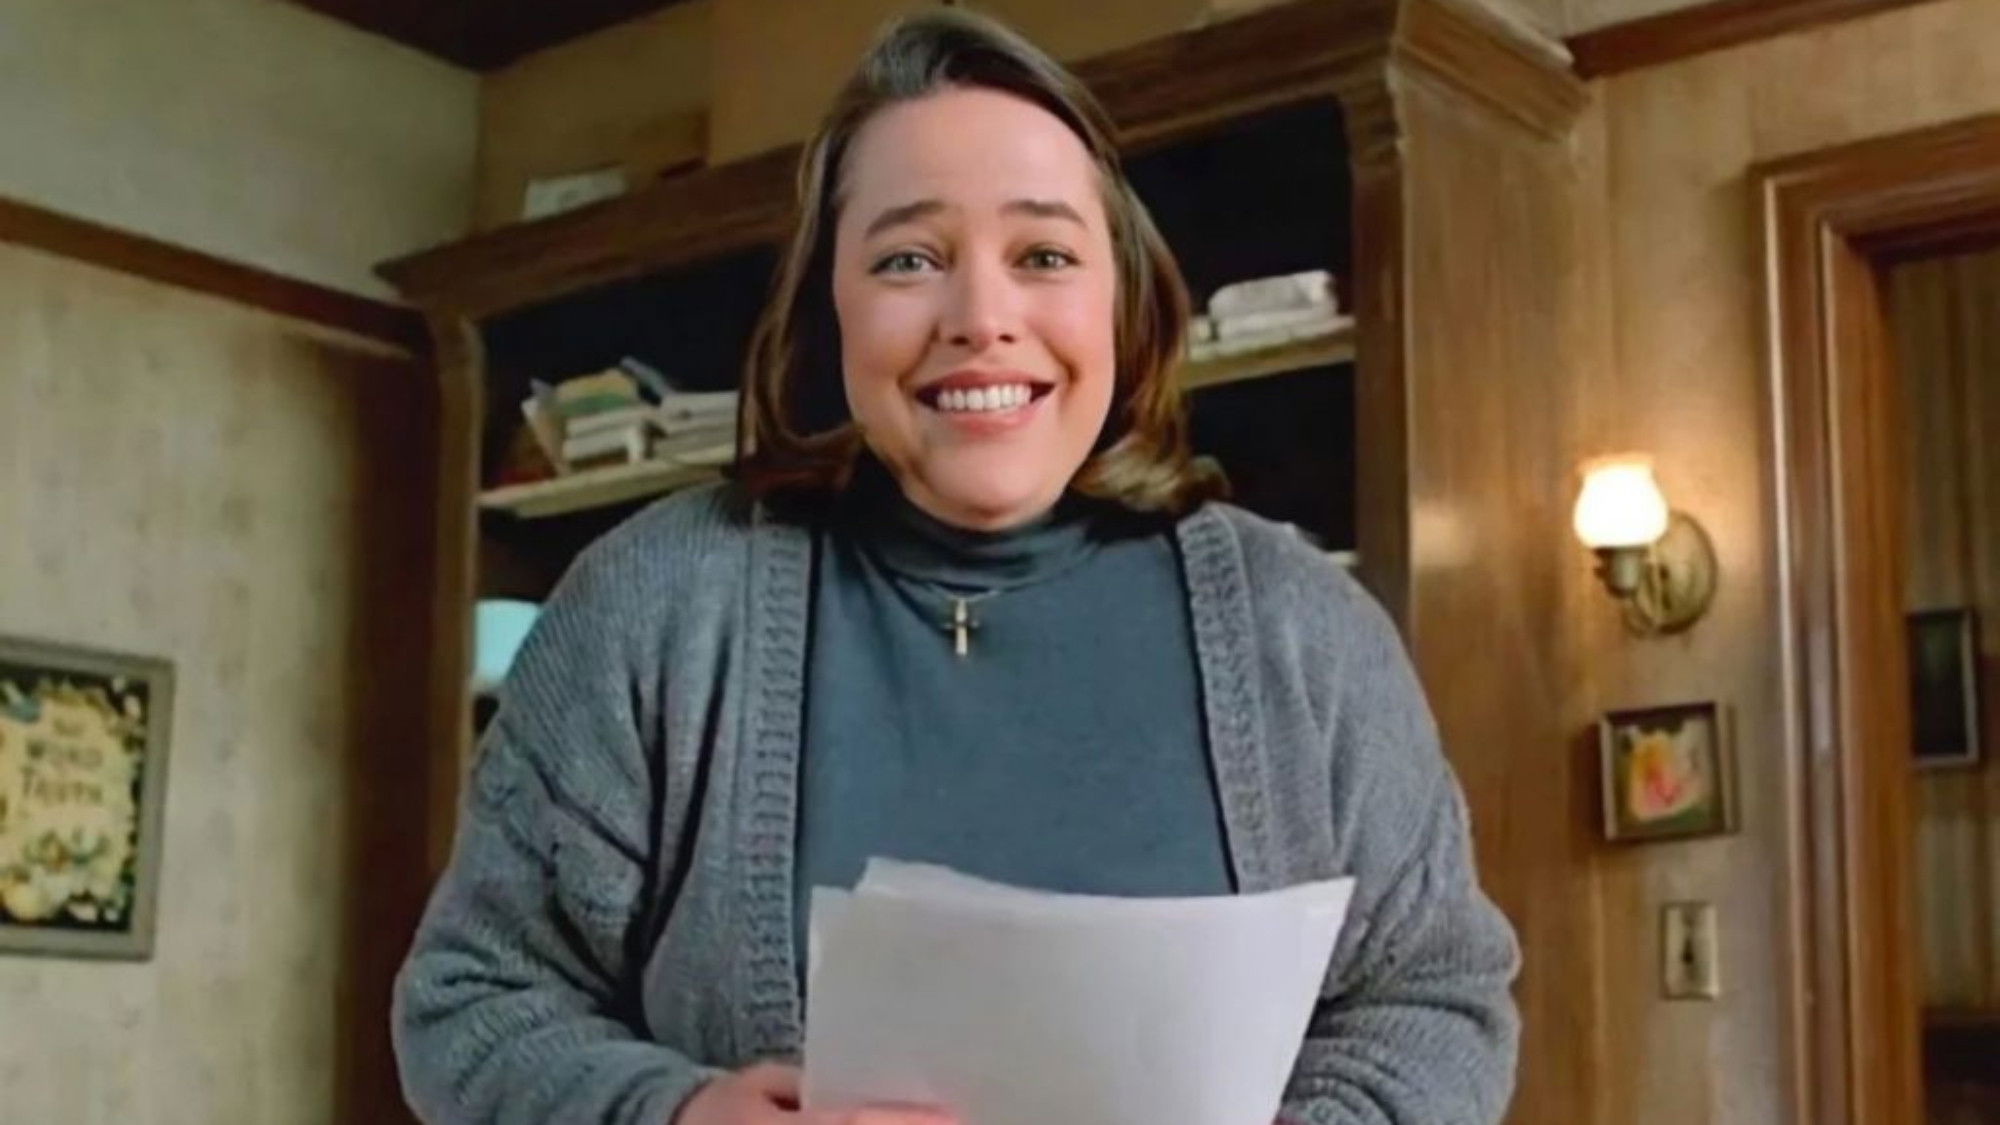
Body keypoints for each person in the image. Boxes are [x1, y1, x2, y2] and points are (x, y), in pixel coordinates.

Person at [391, 10, 1520, 1125]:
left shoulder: (1305, 629)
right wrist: (678, 1115)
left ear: (1119, 297)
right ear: (829, 304)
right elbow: (471, 1001)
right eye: (908, 259)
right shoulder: (656, 605)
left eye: (1043, 256)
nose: (982, 317)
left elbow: (1434, 998)